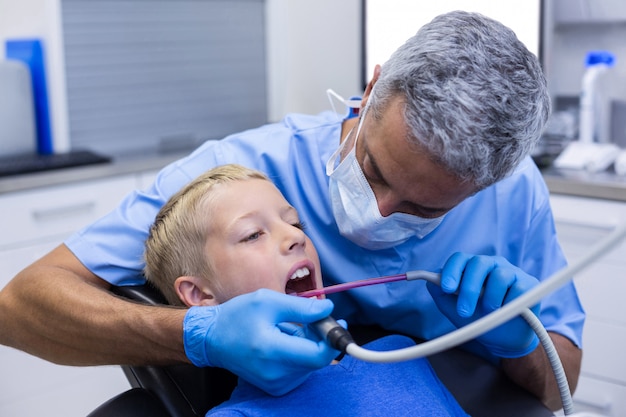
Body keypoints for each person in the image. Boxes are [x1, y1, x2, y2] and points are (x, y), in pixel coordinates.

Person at [0, 11, 582, 411]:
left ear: (484, 188)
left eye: (422, 208)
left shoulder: (514, 193)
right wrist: (195, 335)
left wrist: (523, 343)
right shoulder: (238, 175)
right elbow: (19, 307)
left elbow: (559, 387)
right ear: (373, 86)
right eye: (374, 171)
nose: (377, 214)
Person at [143, 163, 470, 417]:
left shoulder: (399, 356)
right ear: (200, 297)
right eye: (253, 234)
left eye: (295, 224)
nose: (296, 237)